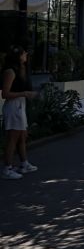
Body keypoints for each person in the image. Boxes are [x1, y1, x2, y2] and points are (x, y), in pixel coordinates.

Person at [2, 46, 38, 180]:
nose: (26, 55)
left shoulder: (20, 70)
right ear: (18, 56)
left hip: (20, 105)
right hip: (13, 106)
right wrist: (25, 93)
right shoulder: (10, 71)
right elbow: (5, 94)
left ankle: (24, 163)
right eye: (23, 53)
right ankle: (7, 168)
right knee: (12, 138)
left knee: (22, 136)